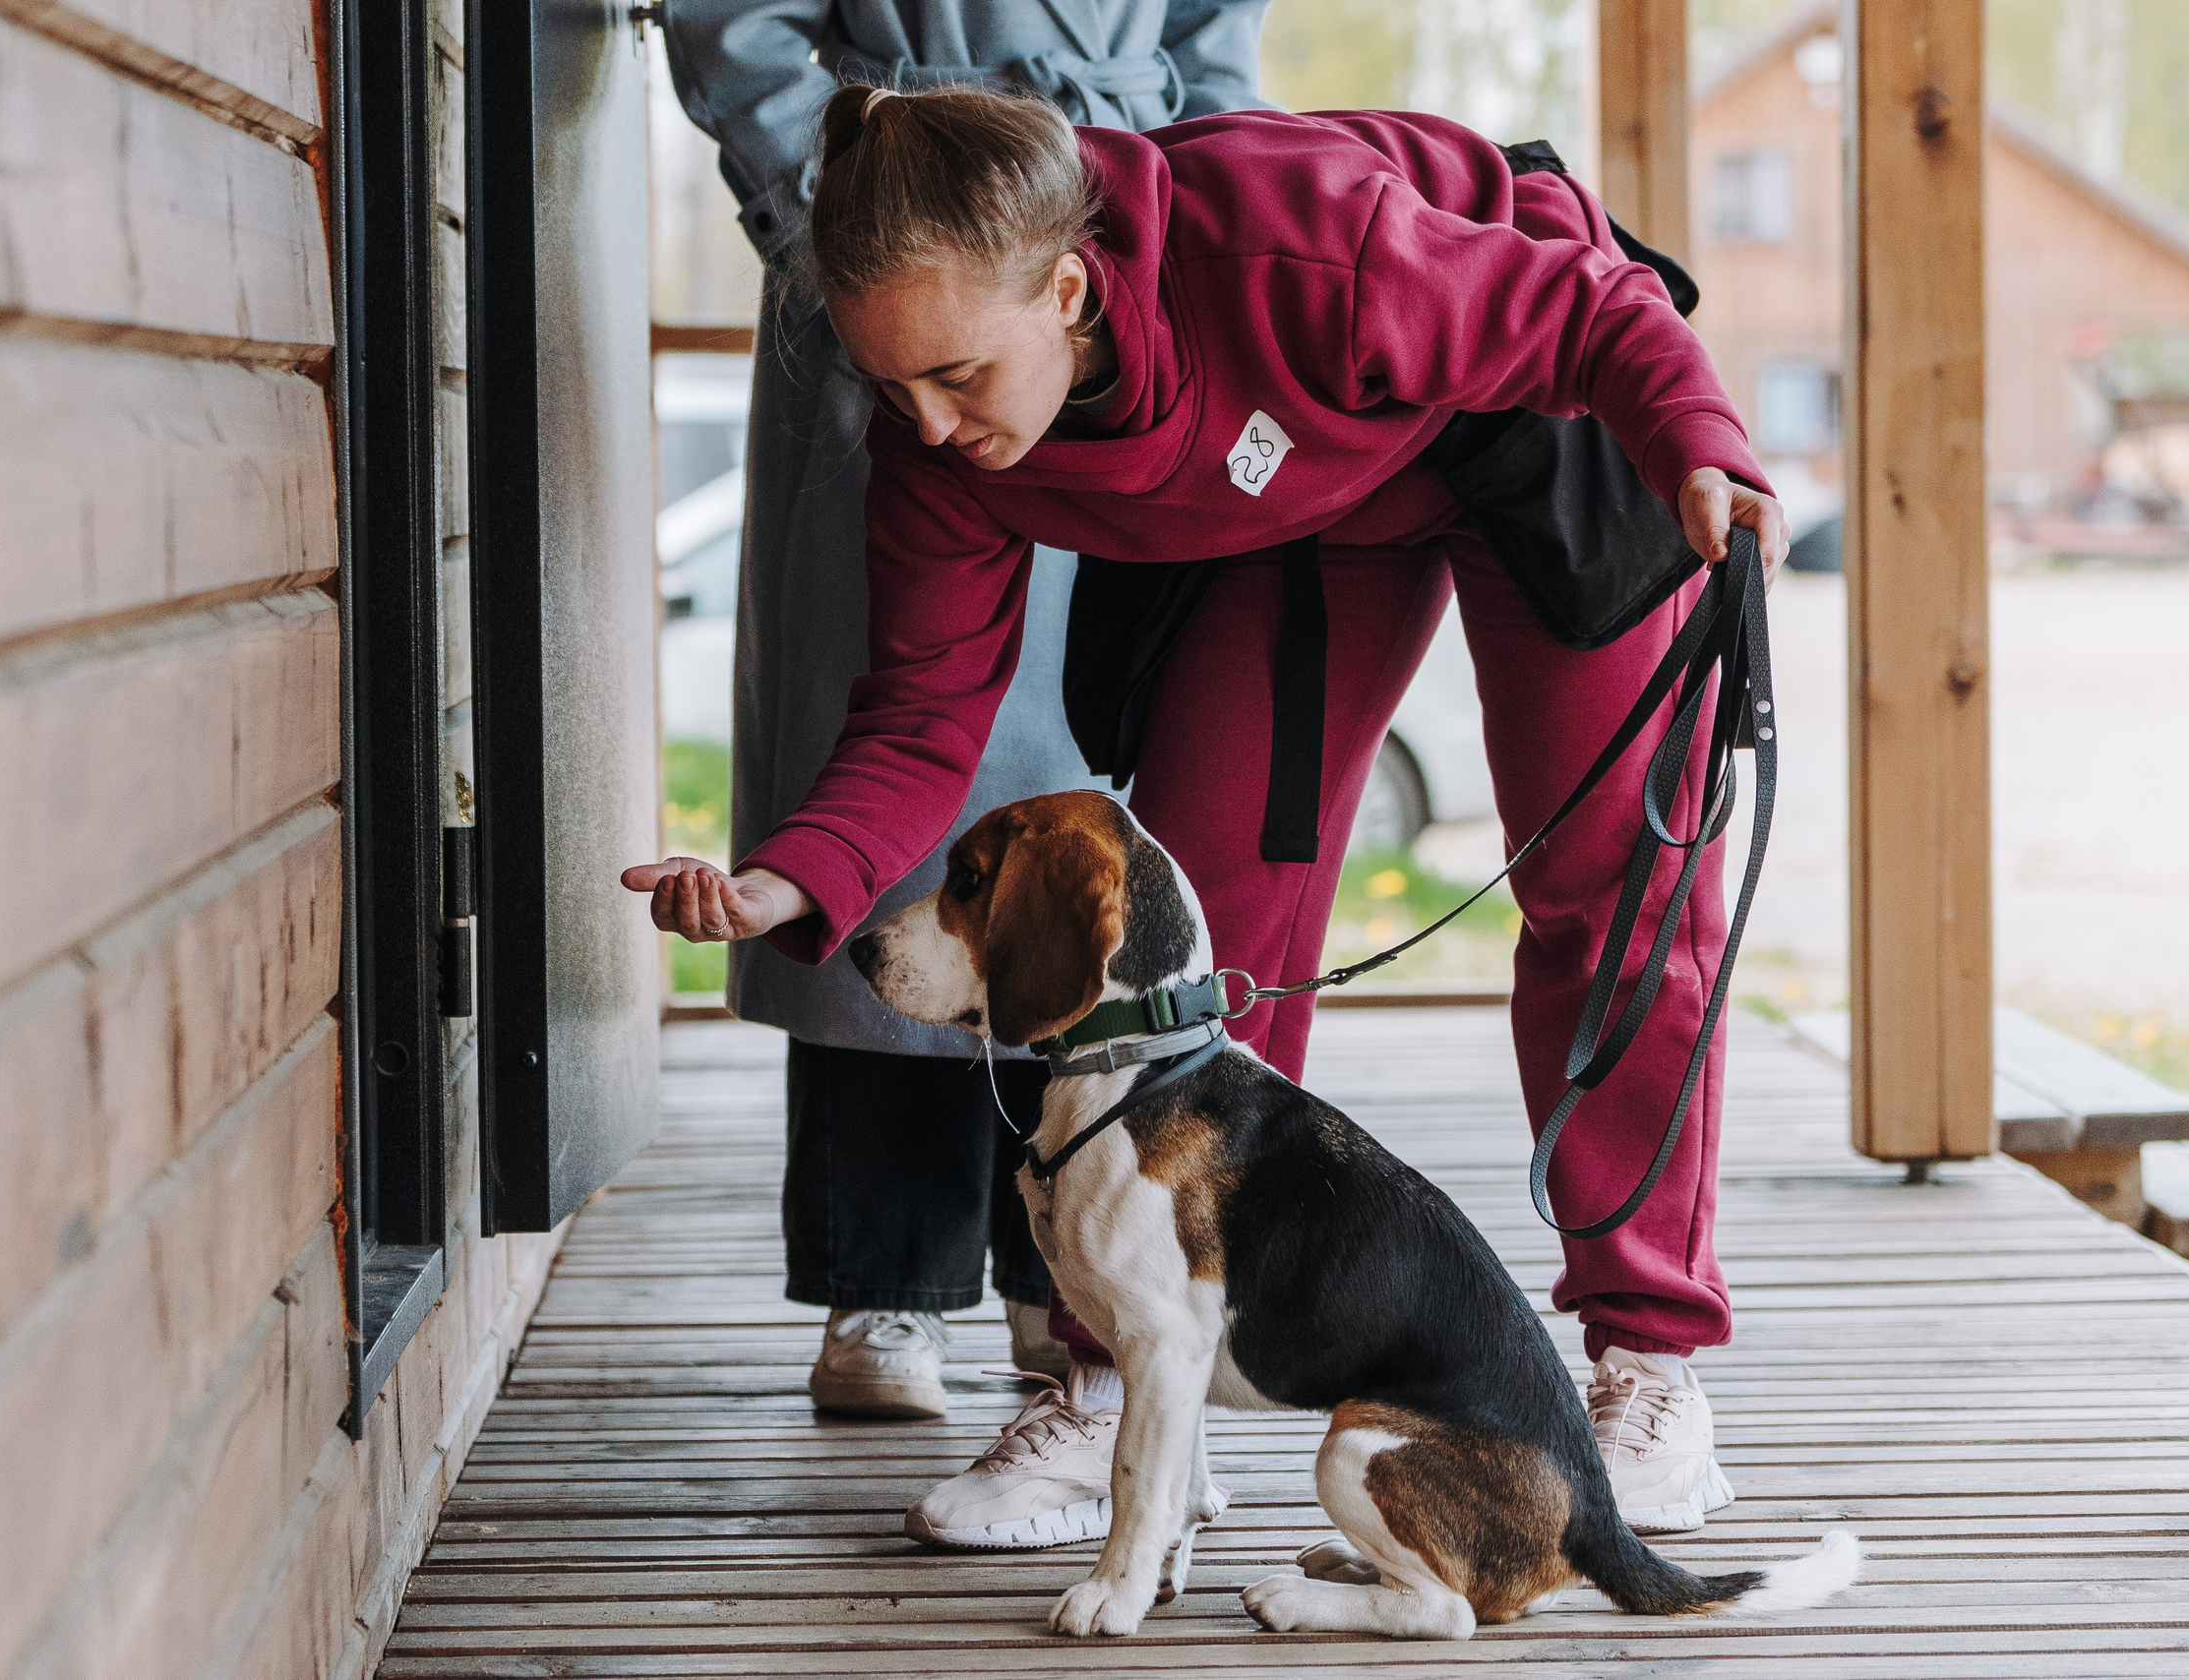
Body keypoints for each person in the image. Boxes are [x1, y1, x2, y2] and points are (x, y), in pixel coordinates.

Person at [624, 85, 1790, 1544]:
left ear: (1066, 286)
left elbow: (1595, 313)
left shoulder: (1298, 247)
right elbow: (921, 715)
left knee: (1617, 884)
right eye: (892, 386)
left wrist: (1703, 447)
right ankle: (1125, 1389)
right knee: (1198, 932)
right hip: (1308, 501)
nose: (930, 423)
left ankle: (1647, 1362)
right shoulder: (940, 449)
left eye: (959, 374)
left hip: (1538, 419)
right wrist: (789, 884)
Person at [654, 3, 1271, 1433]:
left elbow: (1218, 30)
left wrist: (1189, 203)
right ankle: (887, 1274)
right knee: (897, 730)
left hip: (1117, 273)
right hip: (897, 241)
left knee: (1116, 761)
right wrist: (828, 209)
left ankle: (1067, 1272)